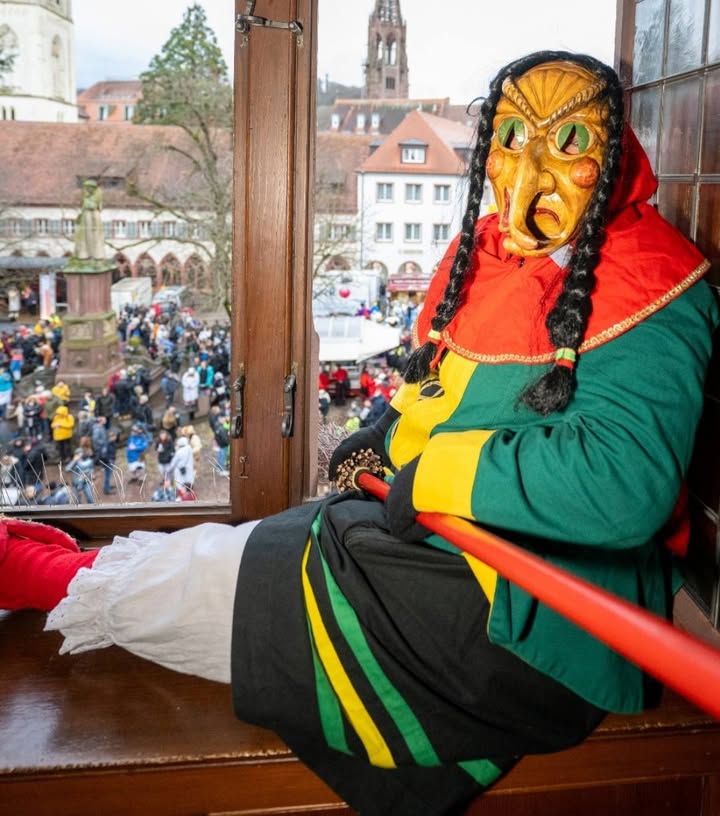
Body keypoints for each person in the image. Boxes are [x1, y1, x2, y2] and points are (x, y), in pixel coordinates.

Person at [1, 52, 718, 816]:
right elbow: (441, 386)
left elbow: (621, 483)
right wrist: (384, 429)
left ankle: (43, 576)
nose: (532, 167)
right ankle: (75, 558)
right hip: (436, 545)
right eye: (512, 134)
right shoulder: (489, 251)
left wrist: (436, 472)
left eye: (567, 143)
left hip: (522, 610)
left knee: (234, 599)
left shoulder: (659, 285)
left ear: (612, 150)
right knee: (264, 545)